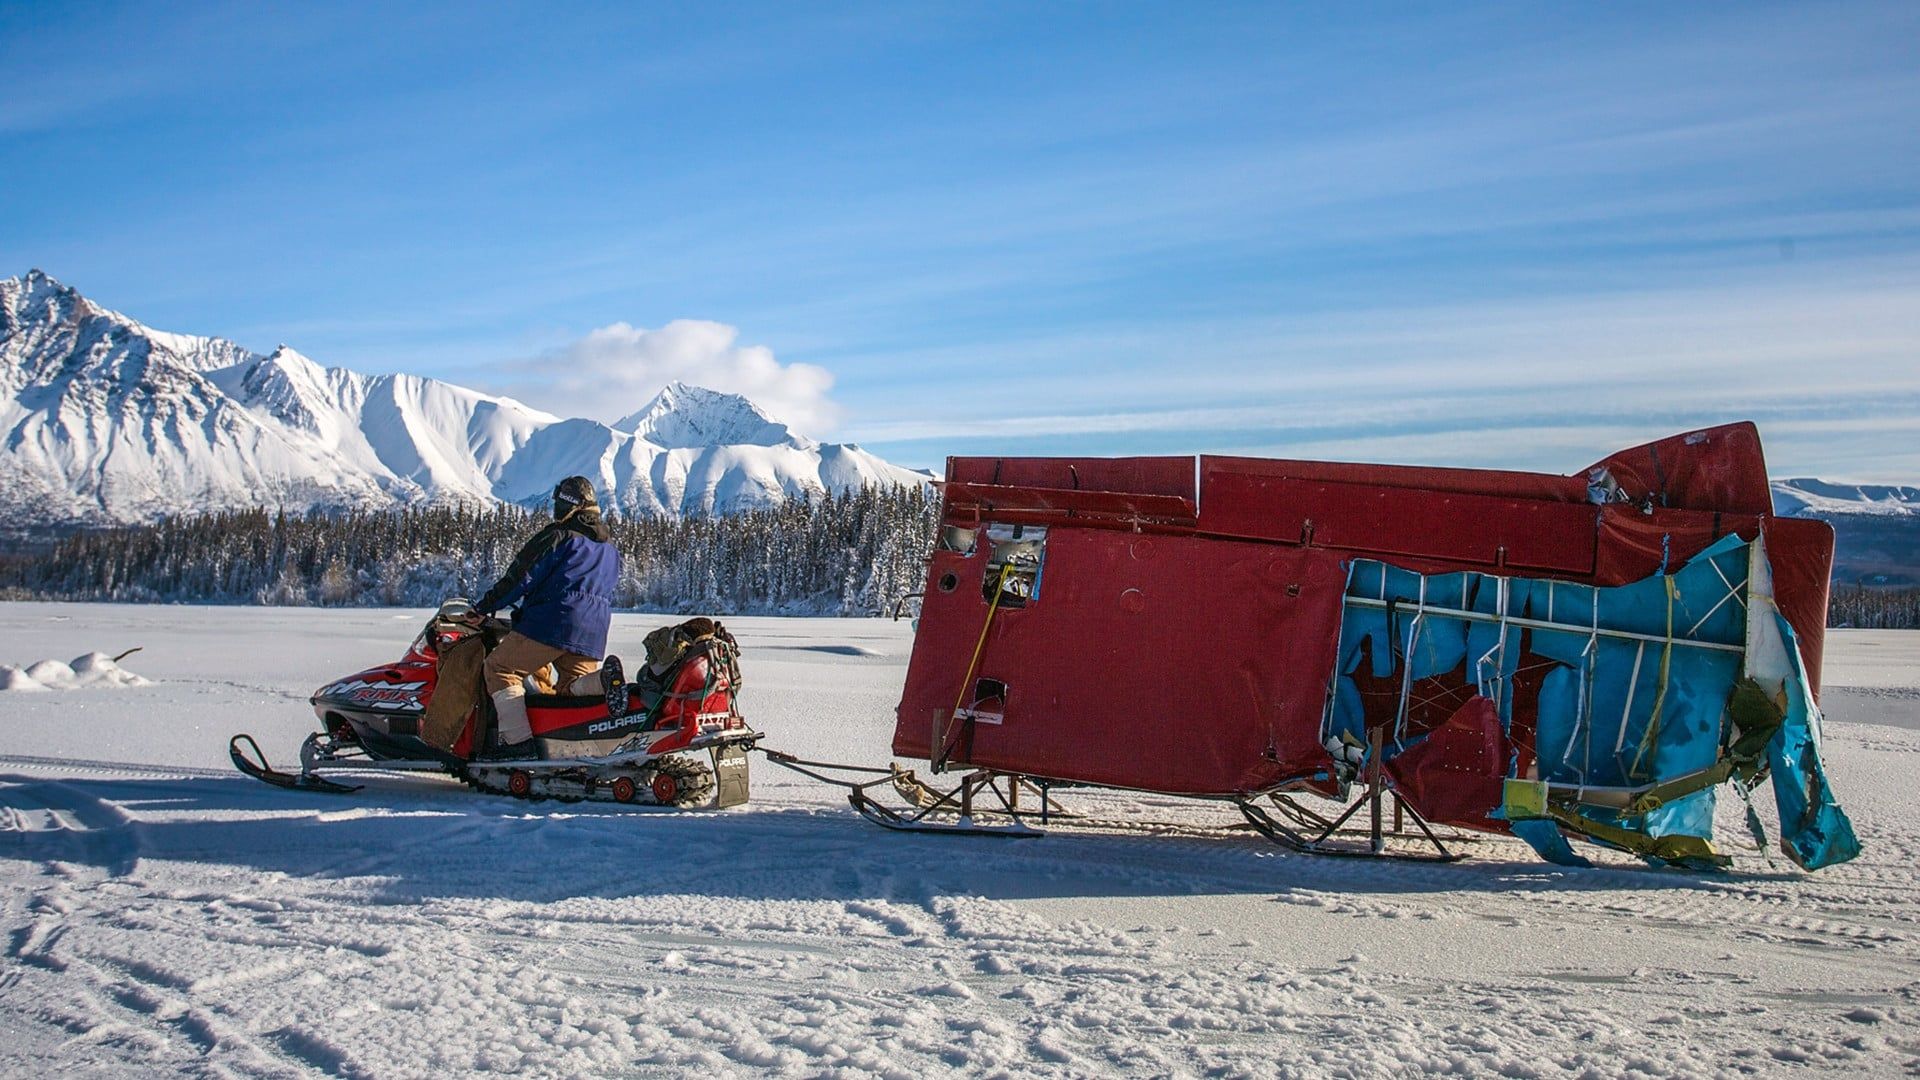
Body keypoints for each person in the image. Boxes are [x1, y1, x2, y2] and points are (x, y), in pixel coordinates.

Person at [465, 476, 621, 759]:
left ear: (568, 505)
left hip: (552, 623)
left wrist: (484, 607)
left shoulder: (559, 536)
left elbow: (520, 577)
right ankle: (601, 684)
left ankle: (516, 744)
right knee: (569, 691)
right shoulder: (609, 549)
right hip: (593, 630)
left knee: (500, 668)